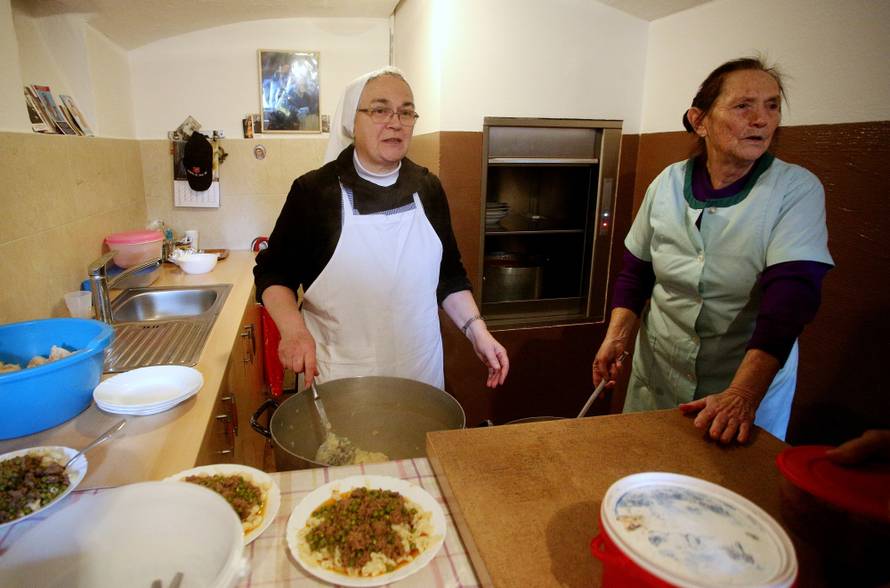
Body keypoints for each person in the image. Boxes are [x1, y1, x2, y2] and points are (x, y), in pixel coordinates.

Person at [592, 57, 833, 443]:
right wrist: (617, 337)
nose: (762, 120)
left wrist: (743, 394)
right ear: (700, 120)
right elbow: (636, 271)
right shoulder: (667, 184)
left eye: (772, 106)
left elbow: (790, 301)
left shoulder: (795, 191)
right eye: (744, 106)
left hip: (738, 390)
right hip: (658, 372)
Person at [254, 66, 509, 391]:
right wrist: (293, 330)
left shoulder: (428, 189)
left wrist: (478, 331)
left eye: (406, 112)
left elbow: (449, 277)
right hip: (340, 380)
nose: (395, 122)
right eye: (379, 110)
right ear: (352, 120)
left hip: (420, 376)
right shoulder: (314, 193)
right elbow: (274, 273)